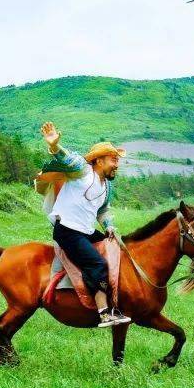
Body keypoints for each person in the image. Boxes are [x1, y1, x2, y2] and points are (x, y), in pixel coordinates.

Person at [36, 122, 130, 328]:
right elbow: (65, 157)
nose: (117, 164)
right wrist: (54, 146)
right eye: (113, 160)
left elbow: (102, 210)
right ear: (99, 160)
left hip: (86, 231)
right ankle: (104, 313)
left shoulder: (108, 186)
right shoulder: (82, 170)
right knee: (97, 263)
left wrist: (109, 227)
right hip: (68, 231)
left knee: (114, 249)